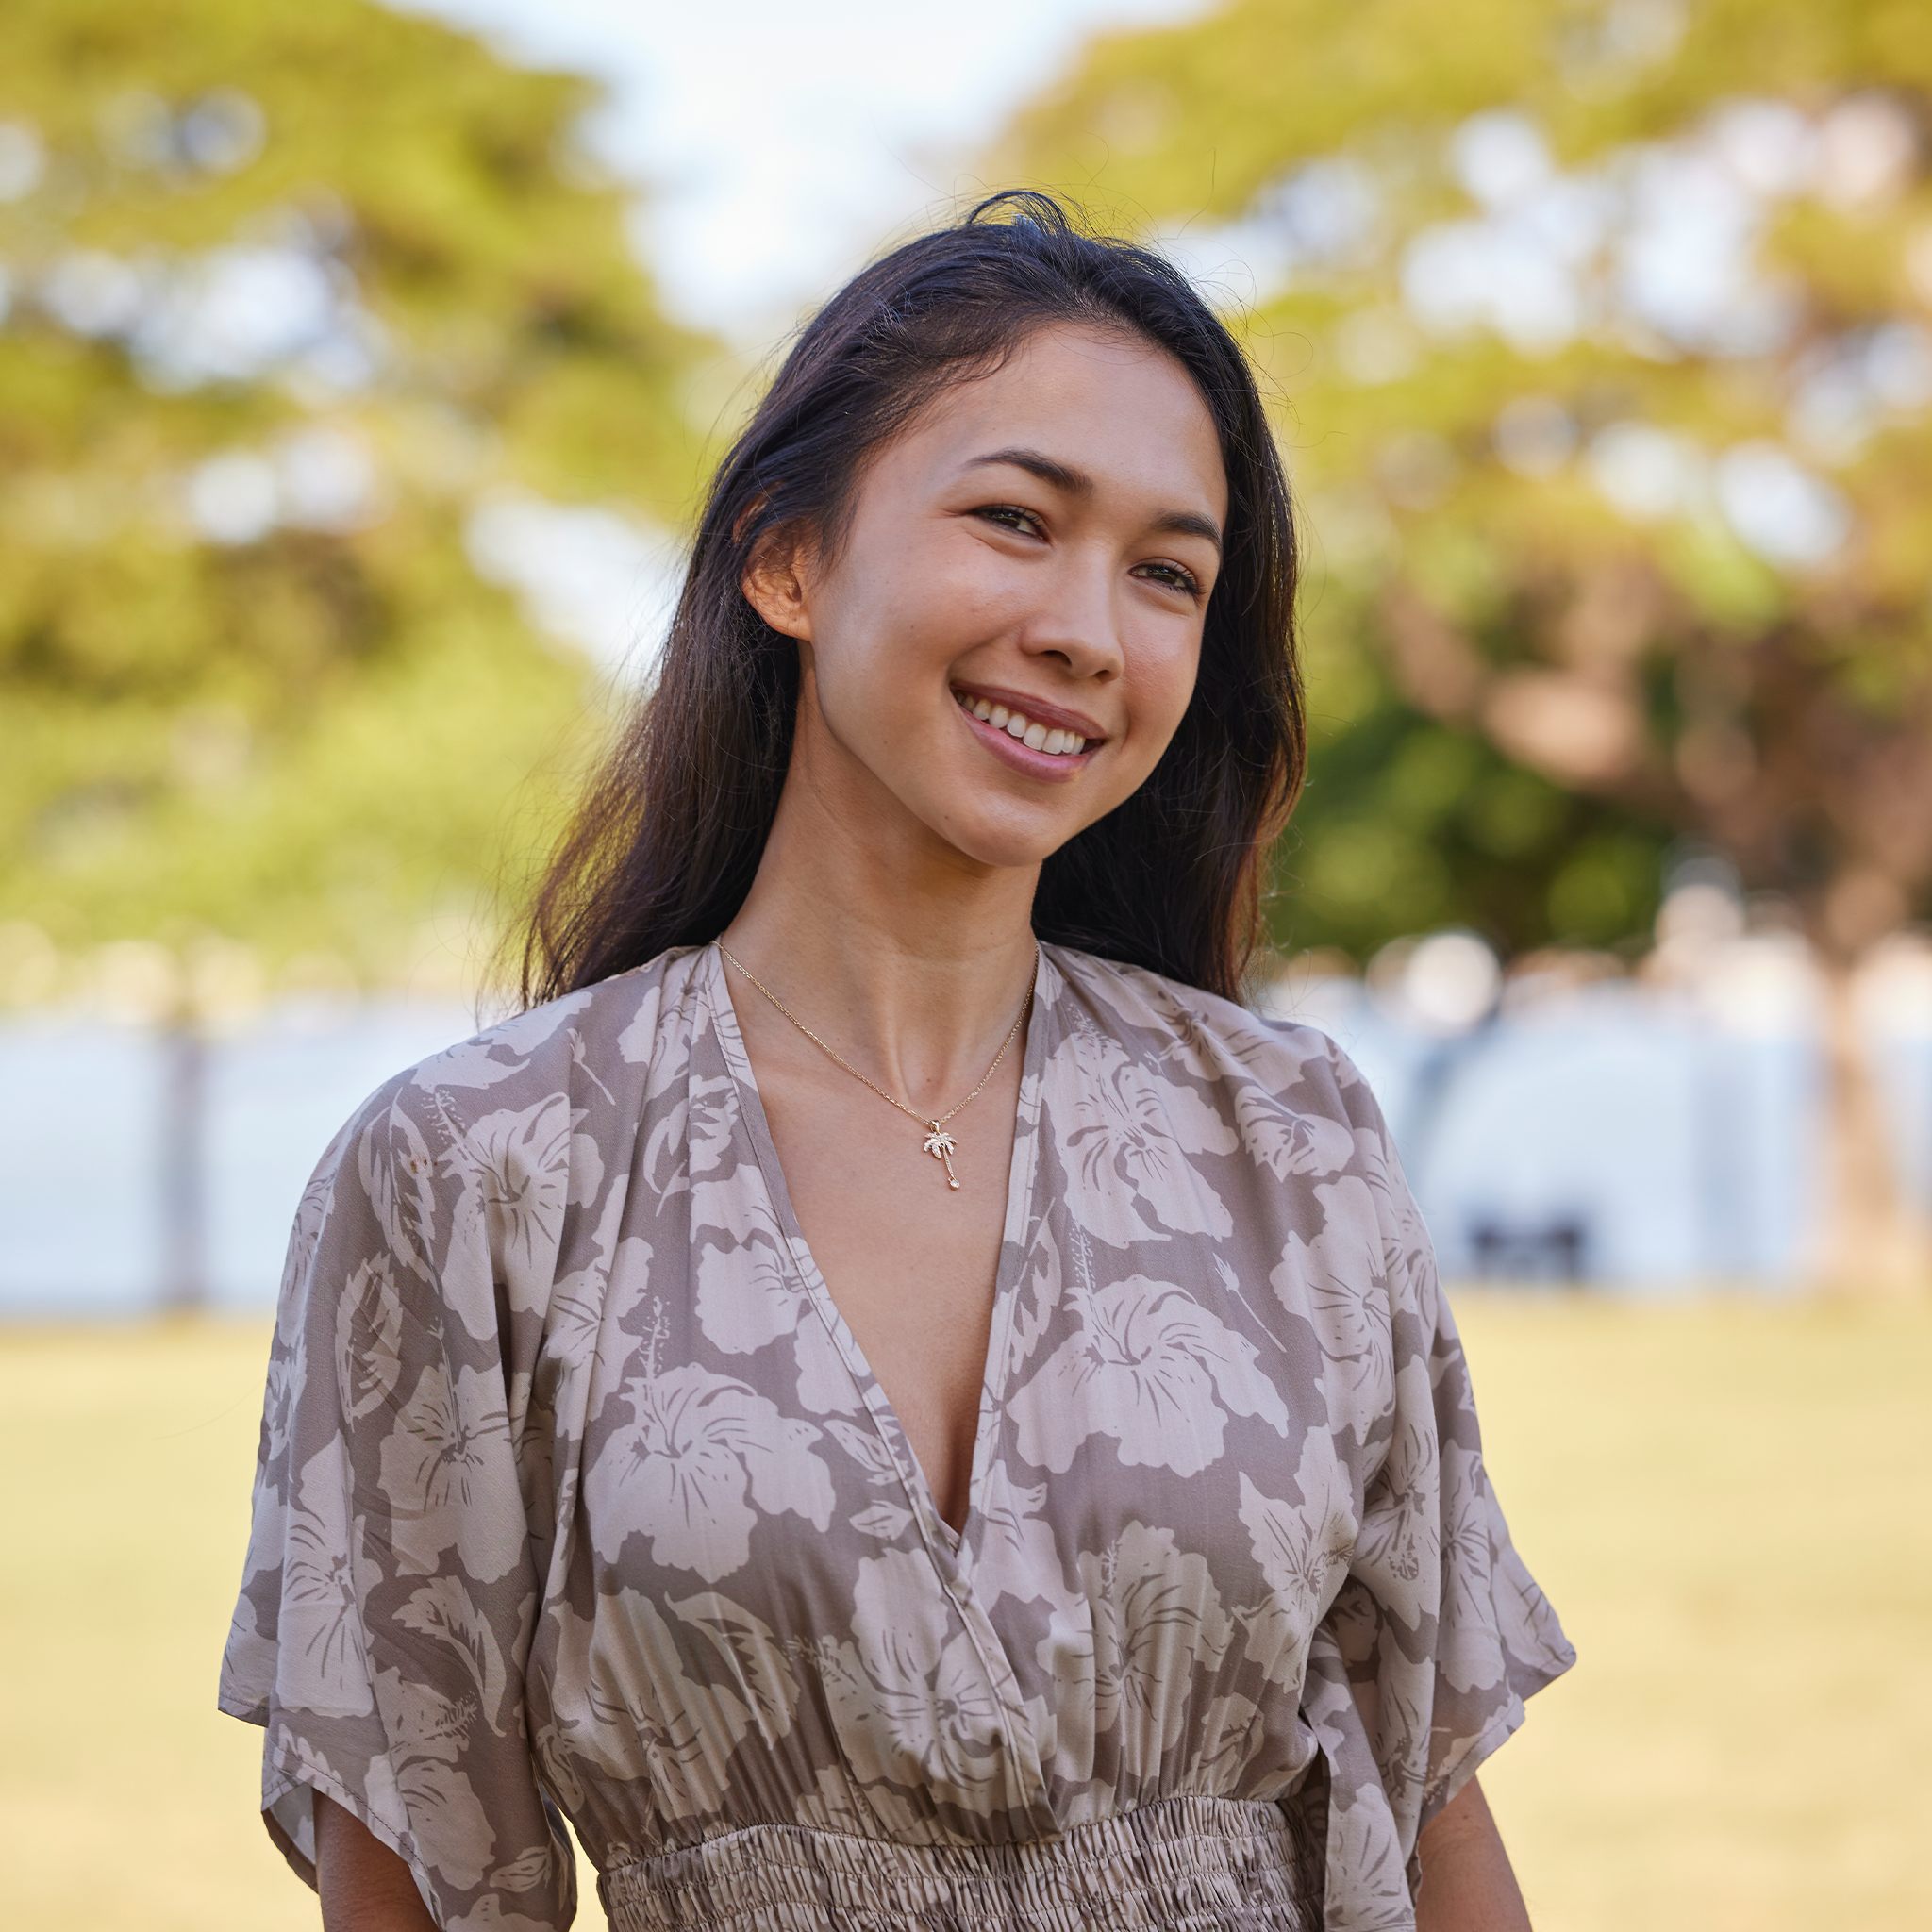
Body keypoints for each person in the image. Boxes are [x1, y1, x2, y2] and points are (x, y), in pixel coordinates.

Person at [221, 192, 1572, 1932]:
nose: (1093, 628)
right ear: (786, 559)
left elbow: (1427, 1806)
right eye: (1018, 520)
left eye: (1169, 572)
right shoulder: (480, 1174)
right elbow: (412, 1872)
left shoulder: (1290, 1141)